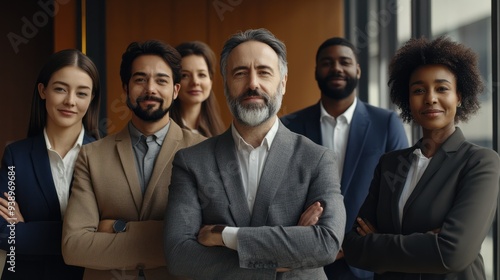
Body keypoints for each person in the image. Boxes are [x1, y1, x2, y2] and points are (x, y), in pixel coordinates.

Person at [164, 28, 346, 279]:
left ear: (282, 82)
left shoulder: (318, 159)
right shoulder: (191, 162)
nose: (252, 84)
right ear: (226, 83)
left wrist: (224, 235)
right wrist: (287, 254)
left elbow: (326, 244)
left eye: (264, 72)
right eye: (240, 73)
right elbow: (180, 257)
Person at [343, 36, 500, 280]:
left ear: (459, 96)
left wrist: (379, 246)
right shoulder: (389, 164)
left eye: (442, 88)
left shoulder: (480, 162)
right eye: (418, 90)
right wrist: (427, 244)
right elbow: (353, 247)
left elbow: (453, 253)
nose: (430, 98)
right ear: (408, 100)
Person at [62, 40, 205, 280]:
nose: (150, 89)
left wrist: (118, 228)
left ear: (176, 90)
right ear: (126, 88)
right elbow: (74, 247)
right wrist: (175, 239)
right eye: (140, 79)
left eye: (161, 80)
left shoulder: (203, 151)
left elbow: (206, 242)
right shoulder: (91, 156)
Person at [281, 37, 408, 280]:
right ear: (317, 71)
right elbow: (281, 191)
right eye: (327, 63)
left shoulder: (386, 124)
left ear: (357, 70)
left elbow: (398, 192)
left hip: (365, 261)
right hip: (305, 260)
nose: (336, 68)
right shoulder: (289, 126)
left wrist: (360, 241)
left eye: (345, 62)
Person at [0, 49, 101, 279]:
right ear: (43, 90)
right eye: (60, 89)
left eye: (82, 93)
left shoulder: (105, 156)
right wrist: (80, 235)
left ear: (92, 98)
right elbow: (4, 233)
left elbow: (108, 235)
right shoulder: (16, 156)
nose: (70, 101)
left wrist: (26, 230)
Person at [170, 41, 226, 137]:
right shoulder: (165, 131)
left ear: (211, 80)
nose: (195, 82)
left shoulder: (218, 130)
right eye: (185, 75)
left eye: (201, 75)